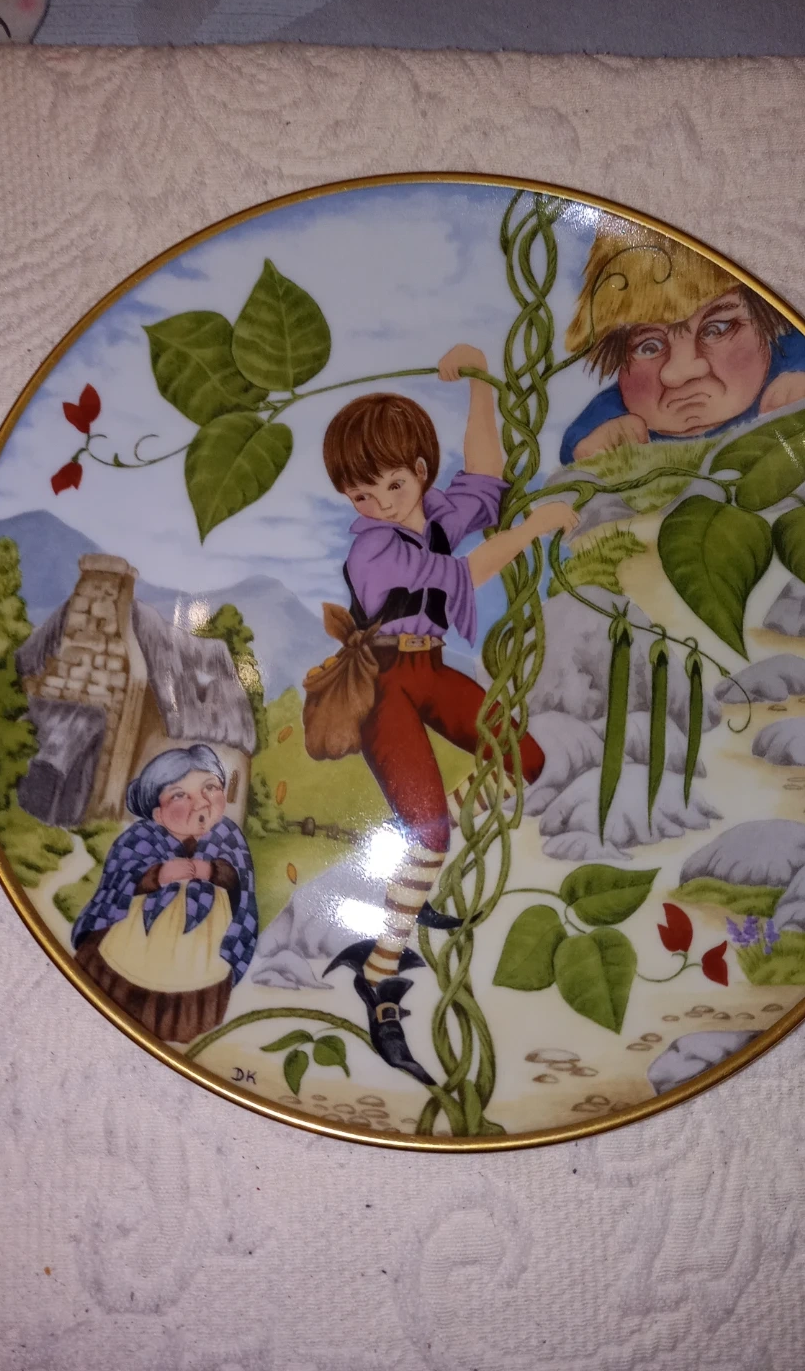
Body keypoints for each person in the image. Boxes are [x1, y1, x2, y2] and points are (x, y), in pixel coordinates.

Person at [318, 344, 578, 1083]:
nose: (379, 505)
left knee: (523, 758)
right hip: (385, 686)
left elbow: (484, 481)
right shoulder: (373, 551)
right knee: (428, 831)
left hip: (430, 671)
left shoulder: (429, 513)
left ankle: (423, 864)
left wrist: (478, 386)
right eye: (360, 495)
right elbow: (464, 572)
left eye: (393, 485)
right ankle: (379, 974)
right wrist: (534, 530)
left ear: (418, 472)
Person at [559, 222, 805, 465]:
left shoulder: (789, 366)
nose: (679, 373)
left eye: (717, 329)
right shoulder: (621, 412)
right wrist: (592, 437)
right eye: (649, 347)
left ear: (766, 321)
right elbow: (596, 423)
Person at [72, 745, 257, 1045]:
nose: (201, 802)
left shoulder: (229, 837)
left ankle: (184, 1028)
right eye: (180, 795)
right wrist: (157, 875)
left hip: (203, 940)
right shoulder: (139, 838)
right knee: (128, 971)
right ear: (158, 813)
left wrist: (212, 871)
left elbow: (240, 884)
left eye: (210, 787)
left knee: (195, 973)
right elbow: (120, 878)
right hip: (138, 934)